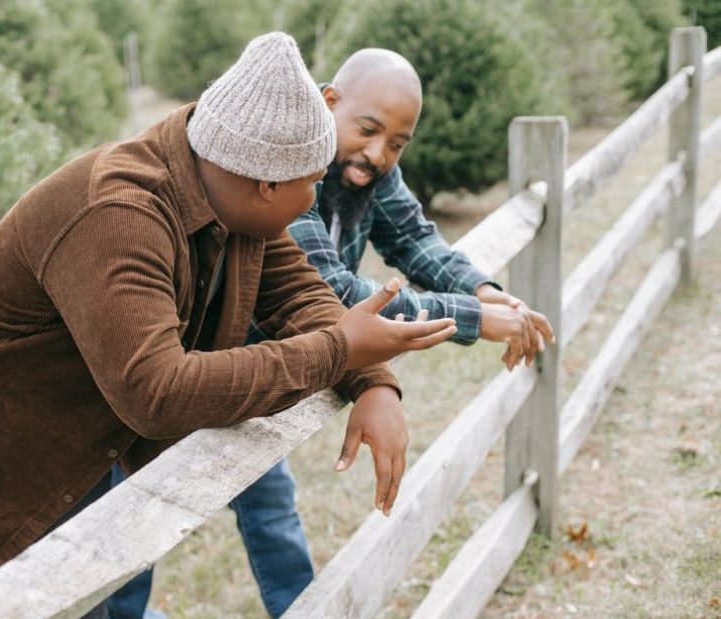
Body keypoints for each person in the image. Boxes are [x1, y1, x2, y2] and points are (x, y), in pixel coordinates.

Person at [0, 34, 458, 619]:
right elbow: (158, 392)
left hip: (73, 439)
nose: (313, 200)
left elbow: (302, 295)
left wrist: (372, 381)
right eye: (310, 180)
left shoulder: (232, 189)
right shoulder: (120, 212)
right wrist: (338, 351)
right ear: (267, 181)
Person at [107, 48, 556, 619]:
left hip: (276, 371)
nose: (378, 153)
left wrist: (483, 290)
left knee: (271, 507)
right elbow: (336, 291)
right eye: (368, 131)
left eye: (397, 143)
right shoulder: (289, 167)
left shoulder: (370, 171)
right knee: (138, 510)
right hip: (215, 361)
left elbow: (415, 238)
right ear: (328, 103)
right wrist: (474, 319)